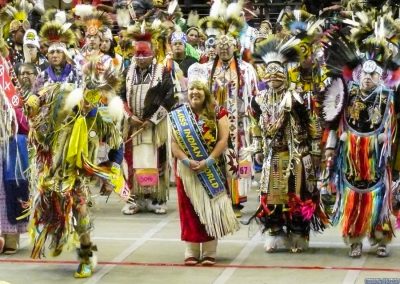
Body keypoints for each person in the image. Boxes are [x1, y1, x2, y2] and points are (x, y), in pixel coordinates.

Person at [249, 35, 328, 253]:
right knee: (273, 198)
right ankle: (275, 234)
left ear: (284, 75)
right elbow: (255, 125)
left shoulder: (296, 97)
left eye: (278, 73)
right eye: (269, 73)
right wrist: (257, 146)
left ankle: (297, 235)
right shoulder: (259, 99)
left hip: (297, 156)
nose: (273, 77)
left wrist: (314, 150)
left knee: (297, 197)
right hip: (273, 156)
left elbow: (312, 124)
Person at [323, 31, 400, 258]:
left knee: (379, 198)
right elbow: (334, 121)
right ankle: (354, 240)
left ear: (380, 76)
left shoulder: (389, 97)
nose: (367, 78)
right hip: (351, 156)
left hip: (377, 155)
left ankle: (380, 239)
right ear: (358, 75)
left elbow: (394, 127)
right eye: (364, 74)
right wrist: (330, 146)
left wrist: (388, 145)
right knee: (354, 198)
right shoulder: (347, 93)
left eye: (372, 74)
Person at [170, 63, 239, 266]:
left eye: (199, 89)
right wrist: (186, 160)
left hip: (211, 168)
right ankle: (191, 249)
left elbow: (223, 140)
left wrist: (208, 160)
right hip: (187, 170)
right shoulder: (178, 113)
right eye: (191, 89)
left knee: (211, 207)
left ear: (206, 91)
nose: (194, 93)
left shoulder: (219, 112)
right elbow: (174, 143)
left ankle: (209, 250)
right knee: (189, 209)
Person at [121, 21, 177, 215]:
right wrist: (129, 116)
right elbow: (120, 97)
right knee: (132, 160)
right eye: (137, 55)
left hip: (155, 126)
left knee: (156, 159)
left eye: (144, 55)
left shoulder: (162, 72)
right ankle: (135, 198)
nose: (140, 59)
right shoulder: (128, 72)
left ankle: (156, 198)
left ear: (152, 55)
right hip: (133, 125)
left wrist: (152, 119)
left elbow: (170, 96)